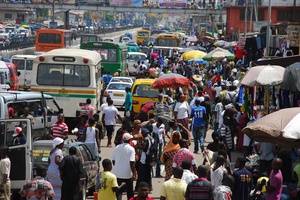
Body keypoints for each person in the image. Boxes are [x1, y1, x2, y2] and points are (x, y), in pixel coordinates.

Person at [111, 133, 136, 200]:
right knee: (130, 192)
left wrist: (117, 167)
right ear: (130, 140)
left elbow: (113, 160)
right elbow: (132, 162)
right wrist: (134, 173)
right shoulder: (131, 149)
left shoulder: (117, 147)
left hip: (117, 173)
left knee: (119, 192)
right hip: (127, 174)